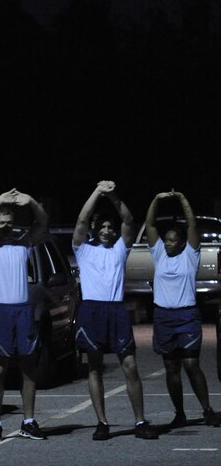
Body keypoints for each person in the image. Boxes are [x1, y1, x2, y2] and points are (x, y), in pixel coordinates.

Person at [72, 180, 158, 441]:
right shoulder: (82, 249)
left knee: (130, 366)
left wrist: (113, 196)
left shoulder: (121, 248)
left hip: (116, 310)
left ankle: (140, 421)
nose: (108, 231)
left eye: (111, 227)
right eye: (103, 227)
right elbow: (81, 220)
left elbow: (129, 220)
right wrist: (96, 191)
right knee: (94, 368)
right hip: (92, 310)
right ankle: (102, 422)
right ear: (96, 229)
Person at [0, 188, 49, 442]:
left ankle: (28, 421)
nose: (5, 226)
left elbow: (43, 222)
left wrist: (31, 201)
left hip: (23, 311)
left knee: (28, 368)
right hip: (1, 312)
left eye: (9, 223)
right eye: (1, 222)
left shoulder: (23, 245)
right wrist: (0, 199)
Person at [144, 190, 221, 428]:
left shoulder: (190, 254)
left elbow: (191, 224)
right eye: (165, 240)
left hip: (186, 315)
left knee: (191, 365)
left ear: (182, 242)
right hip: (164, 316)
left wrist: (182, 199)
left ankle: (207, 410)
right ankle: (179, 413)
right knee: (171, 367)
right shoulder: (159, 254)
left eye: (172, 240)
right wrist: (156, 200)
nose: (167, 244)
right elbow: (149, 224)